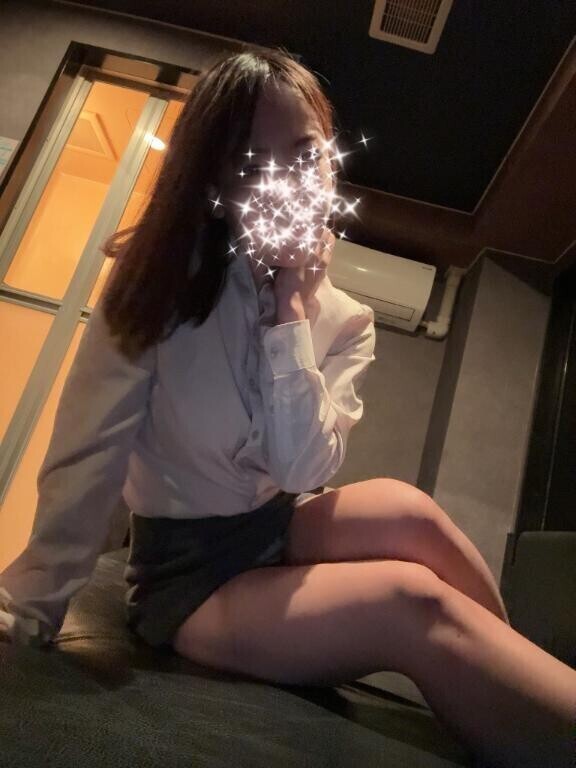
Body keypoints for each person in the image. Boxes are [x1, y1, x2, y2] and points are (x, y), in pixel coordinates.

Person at [0, 47, 574, 767]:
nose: (285, 182)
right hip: (189, 575)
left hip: (274, 524)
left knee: (411, 511)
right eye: (250, 164)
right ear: (215, 178)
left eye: (304, 155)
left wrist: (293, 311)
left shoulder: (346, 318)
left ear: (330, 159)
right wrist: (32, 603)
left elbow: (301, 469)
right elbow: (89, 450)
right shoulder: (158, 283)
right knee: (410, 602)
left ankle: (512, 683)